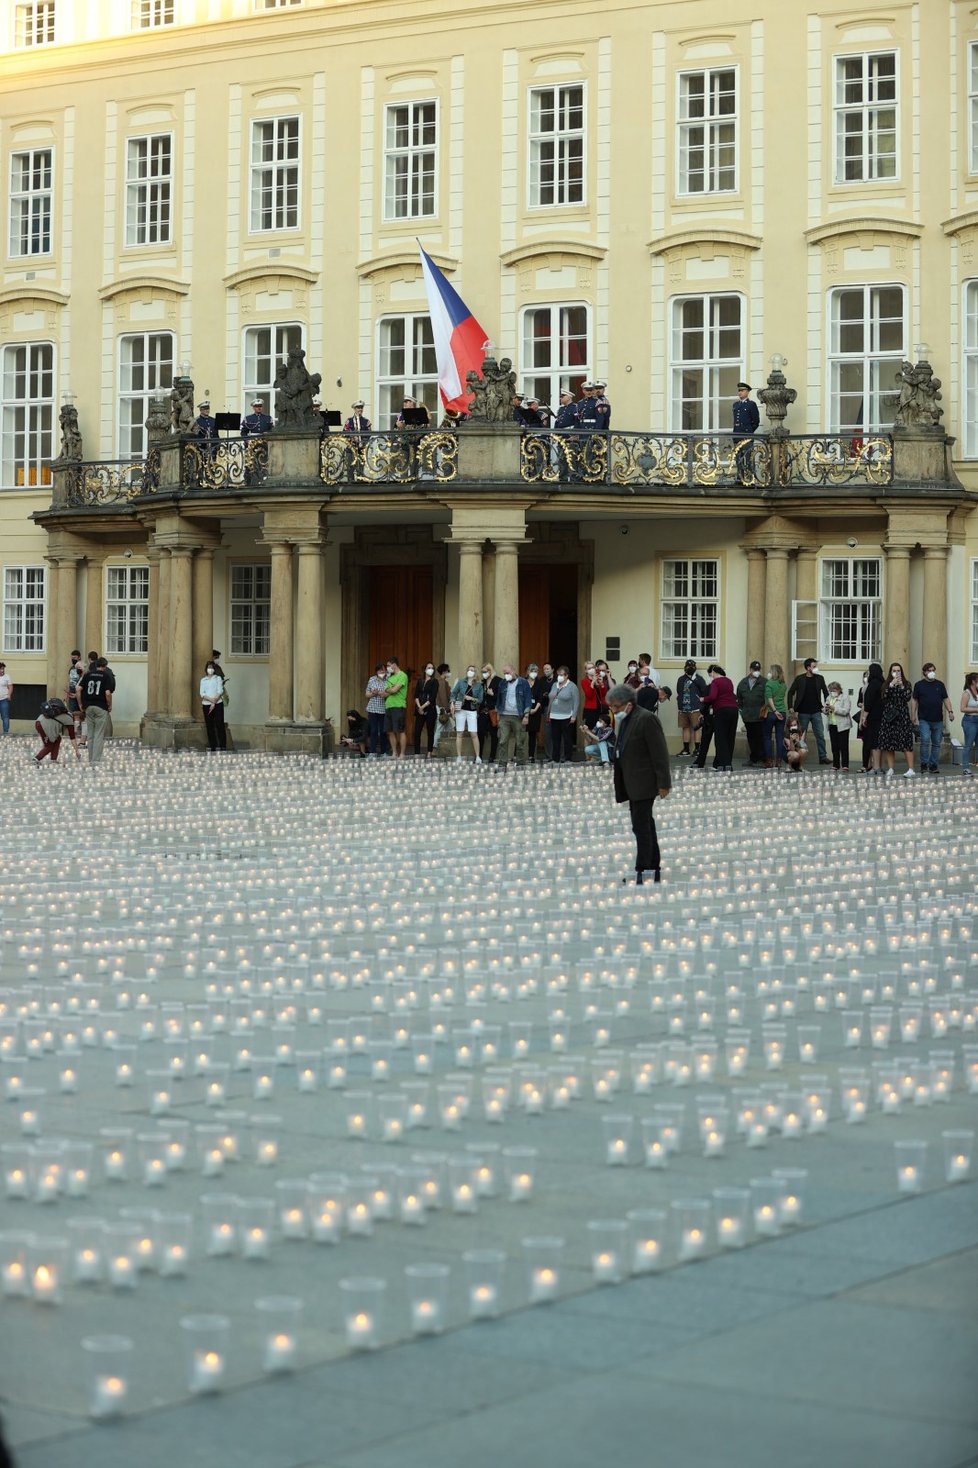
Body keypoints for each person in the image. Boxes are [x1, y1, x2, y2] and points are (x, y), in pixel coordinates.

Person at [606, 682, 671, 886]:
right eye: (612, 707)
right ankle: (653, 866)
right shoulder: (626, 719)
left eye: (616, 706)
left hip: (644, 781)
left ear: (628, 703)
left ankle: (643, 869)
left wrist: (664, 783)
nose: (614, 711)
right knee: (645, 824)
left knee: (640, 826)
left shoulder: (646, 719)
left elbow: (660, 754)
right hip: (631, 781)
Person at [787, 657, 830, 764]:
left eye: (816, 666)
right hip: (803, 712)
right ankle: (800, 756)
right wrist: (790, 706)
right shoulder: (800, 679)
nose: (816, 668)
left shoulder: (820, 678)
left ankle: (823, 757)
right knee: (801, 736)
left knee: (820, 734)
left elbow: (825, 693)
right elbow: (790, 692)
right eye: (814, 666)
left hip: (816, 711)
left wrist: (827, 704)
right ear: (808, 668)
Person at [912, 663, 954, 772]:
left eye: (933, 670)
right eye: (929, 670)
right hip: (924, 719)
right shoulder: (919, 685)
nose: (932, 672)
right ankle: (924, 764)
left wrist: (950, 711)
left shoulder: (940, 684)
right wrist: (913, 714)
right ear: (924, 672)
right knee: (925, 740)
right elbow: (914, 700)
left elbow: (946, 699)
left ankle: (933, 765)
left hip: (938, 719)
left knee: (936, 743)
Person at [878, 662, 916, 778]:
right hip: (889, 717)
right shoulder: (886, 684)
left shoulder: (906, 683)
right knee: (889, 744)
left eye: (898, 670)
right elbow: (884, 697)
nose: (896, 673)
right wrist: (891, 685)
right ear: (890, 672)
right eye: (894, 670)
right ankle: (890, 768)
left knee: (906, 743)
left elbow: (907, 697)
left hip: (902, 717)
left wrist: (901, 686)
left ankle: (911, 769)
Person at [700, 664, 738, 770]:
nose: (711, 677)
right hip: (734, 710)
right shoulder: (729, 681)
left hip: (722, 710)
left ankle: (723, 764)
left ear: (715, 673)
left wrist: (703, 699)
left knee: (720, 738)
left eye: (712, 674)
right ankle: (728, 763)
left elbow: (712, 697)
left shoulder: (715, 682)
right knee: (730, 737)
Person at [77, 656, 114, 765]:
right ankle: (95, 760)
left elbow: (78, 689)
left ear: (96, 665)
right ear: (105, 666)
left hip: (88, 707)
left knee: (91, 734)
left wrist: (80, 704)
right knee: (99, 734)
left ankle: (90, 758)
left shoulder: (87, 675)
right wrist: (109, 705)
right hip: (100, 707)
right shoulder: (106, 676)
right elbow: (108, 693)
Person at [495, 664, 533, 767]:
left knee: (520, 741)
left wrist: (526, 715)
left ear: (514, 671)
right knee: (503, 740)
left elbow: (528, 699)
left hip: (518, 716)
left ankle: (520, 762)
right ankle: (502, 764)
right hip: (504, 715)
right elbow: (498, 699)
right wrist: (498, 714)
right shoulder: (502, 683)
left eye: (508, 673)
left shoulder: (523, 683)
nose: (506, 675)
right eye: (504, 673)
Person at [736, 660, 768, 766]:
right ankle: (753, 758)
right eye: (754, 669)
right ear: (750, 670)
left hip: (760, 716)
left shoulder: (764, 682)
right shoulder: (743, 683)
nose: (756, 671)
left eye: (758, 669)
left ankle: (763, 759)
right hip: (748, 716)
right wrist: (742, 712)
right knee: (751, 738)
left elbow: (768, 698)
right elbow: (739, 700)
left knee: (760, 738)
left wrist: (765, 711)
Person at [451, 664, 484, 763]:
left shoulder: (479, 685)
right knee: (459, 733)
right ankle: (459, 756)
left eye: (472, 670)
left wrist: (472, 698)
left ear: (475, 673)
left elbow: (480, 700)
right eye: (469, 670)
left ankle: (478, 756)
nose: (470, 671)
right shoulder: (461, 682)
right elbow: (453, 694)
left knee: (473, 733)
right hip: (460, 710)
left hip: (471, 711)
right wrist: (452, 702)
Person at [547, 665, 579, 763]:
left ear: (566, 676)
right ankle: (555, 758)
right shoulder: (554, 685)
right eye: (558, 675)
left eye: (561, 675)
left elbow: (576, 701)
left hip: (566, 716)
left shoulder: (572, 686)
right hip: (554, 715)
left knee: (567, 739)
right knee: (555, 739)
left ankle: (567, 758)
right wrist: (549, 713)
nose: (559, 677)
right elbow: (551, 698)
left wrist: (574, 715)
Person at [858, 663, 885, 773]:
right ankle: (879, 766)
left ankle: (875, 767)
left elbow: (868, 702)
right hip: (882, 716)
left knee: (873, 743)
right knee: (880, 743)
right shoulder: (883, 683)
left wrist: (864, 717)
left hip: (873, 717)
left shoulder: (872, 684)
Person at [34, 697, 78, 763]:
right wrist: (77, 751)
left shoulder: (66, 714)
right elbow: (72, 737)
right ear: (78, 718)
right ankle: (36, 759)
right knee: (49, 745)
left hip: (39, 721)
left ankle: (53, 759)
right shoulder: (69, 719)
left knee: (58, 738)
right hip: (42, 725)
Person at [732, 381, 760, 481]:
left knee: (748, 457)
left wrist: (749, 431)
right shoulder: (736, 405)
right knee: (738, 457)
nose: (740, 393)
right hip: (737, 434)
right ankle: (740, 476)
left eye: (742, 390)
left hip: (747, 435)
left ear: (747, 392)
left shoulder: (751, 404)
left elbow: (756, 421)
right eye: (739, 391)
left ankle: (749, 477)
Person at [383, 656, 409, 758]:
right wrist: (391, 689)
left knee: (400, 731)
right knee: (390, 731)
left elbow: (394, 690)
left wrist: (390, 689)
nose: (388, 668)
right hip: (388, 706)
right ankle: (394, 752)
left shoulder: (402, 675)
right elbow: (385, 693)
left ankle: (402, 753)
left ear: (394, 664)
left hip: (398, 706)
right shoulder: (390, 678)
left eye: (389, 665)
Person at [763, 663, 788, 767]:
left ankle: (769, 761)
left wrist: (774, 710)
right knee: (779, 737)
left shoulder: (769, 683)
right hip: (782, 712)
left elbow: (769, 699)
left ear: (773, 672)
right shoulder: (783, 684)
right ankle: (779, 761)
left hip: (771, 713)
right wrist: (778, 711)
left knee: (767, 737)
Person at [413, 662, 439, 757]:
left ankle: (429, 752)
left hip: (430, 709)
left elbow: (432, 698)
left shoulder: (435, 681)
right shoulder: (420, 681)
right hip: (419, 709)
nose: (430, 669)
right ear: (425, 669)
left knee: (430, 731)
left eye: (432, 668)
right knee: (417, 731)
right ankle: (417, 753)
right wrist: (419, 707)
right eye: (429, 667)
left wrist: (423, 707)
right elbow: (416, 695)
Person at [200, 658, 226, 751]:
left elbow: (220, 690)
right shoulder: (203, 680)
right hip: (207, 705)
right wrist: (211, 701)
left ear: (214, 669)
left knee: (219, 724)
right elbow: (202, 693)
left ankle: (223, 745)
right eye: (208, 667)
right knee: (209, 726)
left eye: (211, 667)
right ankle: (213, 745)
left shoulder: (218, 678)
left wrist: (214, 703)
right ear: (206, 669)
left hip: (218, 704)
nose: (210, 669)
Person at [824, 682, 852, 771]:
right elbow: (826, 710)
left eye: (834, 690)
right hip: (832, 724)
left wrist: (834, 709)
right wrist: (825, 709)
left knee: (843, 746)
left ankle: (845, 765)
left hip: (843, 725)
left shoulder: (845, 697)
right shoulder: (829, 697)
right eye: (830, 690)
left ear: (839, 689)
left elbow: (846, 711)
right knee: (834, 746)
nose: (832, 692)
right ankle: (836, 765)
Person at [477, 663, 501, 763]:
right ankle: (479, 756)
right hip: (483, 711)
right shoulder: (482, 683)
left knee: (494, 734)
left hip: (493, 711)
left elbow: (501, 697)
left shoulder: (498, 681)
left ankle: (492, 756)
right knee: (480, 733)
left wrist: (493, 694)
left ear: (490, 671)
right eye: (482, 672)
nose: (484, 674)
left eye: (485, 671)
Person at [553, 388, 579, 479]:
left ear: (569, 397)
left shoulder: (575, 407)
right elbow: (557, 422)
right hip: (562, 436)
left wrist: (575, 435)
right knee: (562, 458)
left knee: (572, 458)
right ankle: (562, 477)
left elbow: (577, 422)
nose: (560, 398)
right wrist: (555, 434)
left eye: (562, 396)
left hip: (570, 435)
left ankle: (573, 478)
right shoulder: (561, 409)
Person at [365, 662, 388, 757]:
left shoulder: (388, 680)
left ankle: (384, 752)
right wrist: (373, 693)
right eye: (379, 670)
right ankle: (372, 752)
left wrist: (381, 693)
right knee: (373, 730)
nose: (381, 671)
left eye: (383, 669)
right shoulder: (372, 679)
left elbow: (388, 693)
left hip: (383, 708)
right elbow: (367, 694)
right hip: (372, 708)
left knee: (383, 731)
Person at [526, 663, 548, 761]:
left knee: (532, 734)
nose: (534, 673)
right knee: (521, 733)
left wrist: (535, 709)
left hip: (535, 711)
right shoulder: (523, 682)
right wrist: (526, 709)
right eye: (532, 671)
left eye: (535, 671)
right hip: (524, 711)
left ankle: (531, 755)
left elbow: (540, 698)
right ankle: (517, 755)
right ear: (528, 672)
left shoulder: (539, 683)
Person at [960, 672, 978, 775]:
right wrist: (976, 709)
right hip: (970, 721)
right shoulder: (967, 693)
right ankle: (966, 767)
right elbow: (962, 708)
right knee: (968, 744)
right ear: (973, 681)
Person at [432, 662, 453, 753]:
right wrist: (446, 708)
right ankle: (435, 748)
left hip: (441, 708)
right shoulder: (442, 682)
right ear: (444, 672)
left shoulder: (441, 681)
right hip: (442, 708)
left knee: (448, 728)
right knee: (440, 728)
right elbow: (443, 696)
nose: (449, 672)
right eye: (448, 670)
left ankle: (445, 748)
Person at [580, 661, 601, 731]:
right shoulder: (584, 681)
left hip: (600, 708)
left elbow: (603, 694)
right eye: (589, 668)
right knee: (589, 730)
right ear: (586, 671)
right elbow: (589, 695)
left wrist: (599, 683)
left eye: (593, 667)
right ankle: (589, 742)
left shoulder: (598, 678)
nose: (591, 669)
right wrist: (592, 682)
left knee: (599, 731)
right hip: (591, 710)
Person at [0, 661, 13, 735]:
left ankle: (5, 732)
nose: (2, 670)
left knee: (5, 716)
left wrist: (9, 695)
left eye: (3, 668)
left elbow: (10, 687)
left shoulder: (7, 676)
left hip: (4, 699)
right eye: (1, 669)